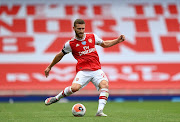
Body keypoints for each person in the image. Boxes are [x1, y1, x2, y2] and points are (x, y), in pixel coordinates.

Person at [44, 19, 125, 117]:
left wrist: (117, 40)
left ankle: (99, 111)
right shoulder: (70, 44)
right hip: (83, 71)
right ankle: (56, 98)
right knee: (74, 88)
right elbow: (60, 55)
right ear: (74, 28)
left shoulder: (92, 37)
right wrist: (49, 67)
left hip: (96, 69)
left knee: (105, 85)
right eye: (79, 29)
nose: (81, 31)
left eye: (83, 28)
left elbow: (104, 44)